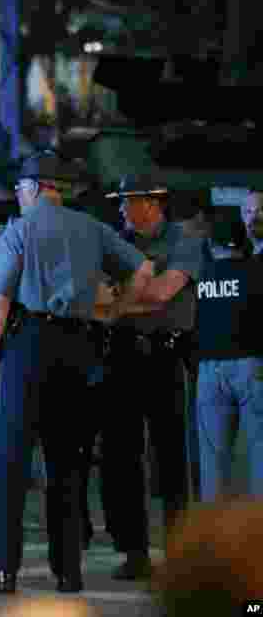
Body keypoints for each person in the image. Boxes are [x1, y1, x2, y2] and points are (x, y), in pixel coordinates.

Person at [0, 152, 153, 594]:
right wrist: (115, 307)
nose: (17, 196)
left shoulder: (19, 230)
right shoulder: (91, 227)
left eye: (20, 189)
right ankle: (68, 571)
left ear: (34, 189)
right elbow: (145, 270)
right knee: (67, 466)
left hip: (28, 346)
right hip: (81, 347)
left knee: (11, 463)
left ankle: (3, 571)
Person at [99, 173, 204, 580]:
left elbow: (164, 293)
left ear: (153, 203)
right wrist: (125, 301)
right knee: (122, 457)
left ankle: (180, 552)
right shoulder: (114, 239)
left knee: (171, 458)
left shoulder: (184, 240)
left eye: (128, 200)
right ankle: (135, 552)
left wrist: (120, 302)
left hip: (165, 355)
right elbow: (100, 291)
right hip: (121, 354)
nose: (122, 208)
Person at [195, 200, 263, 500]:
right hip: (252, 366)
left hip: (210, 371)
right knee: (259, 452)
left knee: (213, 460)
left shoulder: (201, 275)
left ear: (211, 243)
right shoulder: (256, 271)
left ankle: (216, 535)